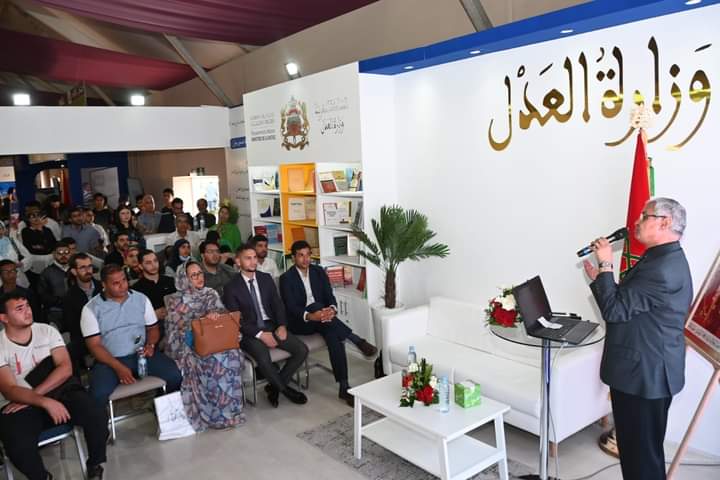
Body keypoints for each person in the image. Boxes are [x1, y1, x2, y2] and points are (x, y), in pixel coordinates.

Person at [582, 197, 693, 480]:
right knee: (638, 455)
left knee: (641, 459)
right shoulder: (661, 257)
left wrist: (606, 264)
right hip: (643, 370)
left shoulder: (662, 269)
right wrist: (601, 279)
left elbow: (615, 311)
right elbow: (628, 304)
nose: (637, 221)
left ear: (665, 222)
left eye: (645, 216)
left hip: (645, 375)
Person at [0, 292, 108, 480]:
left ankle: (94, 464)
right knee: (18, 445)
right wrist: (41, 401)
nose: (27, 311)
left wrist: (40, 396)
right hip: (18, 404)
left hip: (58, 391)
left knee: (96, 414)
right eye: (19, 309)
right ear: (4, 318)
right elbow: (9, 389)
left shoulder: (46, 331)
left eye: (27, 306)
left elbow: (65, 368)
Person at [280, 240, 377, 406]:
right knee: (316, 306)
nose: (305, 259)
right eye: (301, 255)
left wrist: (332, 309)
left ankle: (344, 387)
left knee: (334, 336)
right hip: (301, 322)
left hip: (323, 319)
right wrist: (312, 315)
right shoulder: (286, 278)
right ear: (293, 257)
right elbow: (291, 307)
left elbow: (329, 295)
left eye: (308, 255)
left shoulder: (318, 271)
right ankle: (356, 339)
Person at [81, 264, 182, 407]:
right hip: (109, 360)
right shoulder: (91, 309)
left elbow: (153, 329)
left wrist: (151, 345)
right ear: (104, 285)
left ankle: (162, 408)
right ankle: (102, 421)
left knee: (175, 375)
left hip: (141, 354)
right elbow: (94, 346)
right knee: (98, 394)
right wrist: (118, 367)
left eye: (124, 280)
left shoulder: (141, 299)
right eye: (116, 283)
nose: (122, 286)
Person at [223, 244, 308, 408]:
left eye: (255, 257)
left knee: (301, 350)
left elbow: (278, 305)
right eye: (248, 258)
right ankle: (285, 390)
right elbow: (236, 320)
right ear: (238, 262)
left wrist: (282, 325)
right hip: (249, 332)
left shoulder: (265, 278)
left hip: (271, 325)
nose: (253, 261)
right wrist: (260, 335)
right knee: (263, 357)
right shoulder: (231, 287)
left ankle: (274, 387)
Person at [164, 261, 245, 430]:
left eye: (200, 273)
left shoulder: (210, 293)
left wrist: (215, 316)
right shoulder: (175, 300)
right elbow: (173, 332)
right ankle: (217, 416)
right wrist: (199, 322)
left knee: (233, 354)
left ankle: (232, 411)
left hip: (213, 339)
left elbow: (222, 316)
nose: (199, 278)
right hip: (188, 345)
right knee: (215, 360)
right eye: (193, 275)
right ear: (184, 279)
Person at [63, 253, 101, 375]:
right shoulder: (69, 296)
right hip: (85, 337)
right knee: (69, 351)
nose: (88, 270)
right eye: (83, 267)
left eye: (89, 266)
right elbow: (73, 327)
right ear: (74, 271)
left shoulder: (103, 287)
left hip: (109, 332)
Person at [132, 250, 176, 340]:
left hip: (175, 323)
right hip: (153, 328)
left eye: (155, 261)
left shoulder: (170, 281)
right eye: (148, 263)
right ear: (140, 266)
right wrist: (153, 315)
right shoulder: (136, 290)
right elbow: (134, 318)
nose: (153, 265)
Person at [38, 241, 71, 328]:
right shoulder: (47, 272)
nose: (63, 255)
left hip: (75, 312)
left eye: (66, 252)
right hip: (55, 313)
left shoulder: (75, 270)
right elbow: (42, 295)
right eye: (60, 253)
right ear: (54, 254)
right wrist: (61, 301)